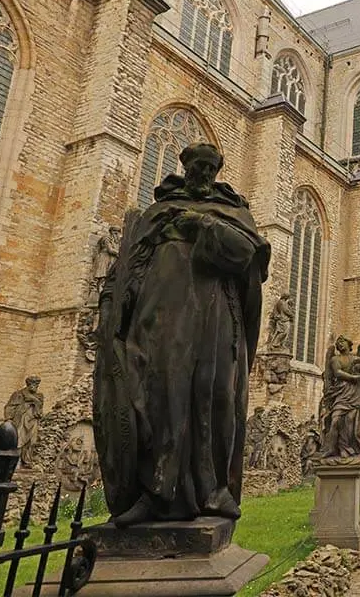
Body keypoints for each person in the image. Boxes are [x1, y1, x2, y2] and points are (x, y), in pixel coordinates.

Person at [92, 143, 270, 526]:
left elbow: (248, 255)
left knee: (217, 397)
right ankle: (155, 492)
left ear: (217, 172)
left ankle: (213, 491)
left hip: (216, 317)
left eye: (210, 168)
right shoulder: (158, 212)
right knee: (158, 395)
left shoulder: (232, 211)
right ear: (185, 167)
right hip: (160, 317)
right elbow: (130, 262)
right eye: (197, 166)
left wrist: (203, 225)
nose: (203, 174)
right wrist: (112, 303)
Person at [320, 336, 360, 461]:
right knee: (335, 420)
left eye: (342, 342)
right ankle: (331, 448)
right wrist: (355, 378)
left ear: (349, 344)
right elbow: (337, 373)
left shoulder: (355, 358)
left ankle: (345, 448)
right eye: (338, 343)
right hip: (341, 392)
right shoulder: (334, 359)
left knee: (349, 422)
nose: (340, 344)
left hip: (355, 393)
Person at [4, 376, 44, 467]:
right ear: (28, 384)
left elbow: (40, 412)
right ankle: (14, 462)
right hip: (21, 419)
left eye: (36, 385)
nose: (35, 387)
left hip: (33, 421)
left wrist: (36, 402)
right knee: (19, 440)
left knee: (32, 442)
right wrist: (9, 419)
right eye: (32, 384)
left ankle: (27, 461)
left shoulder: (39, 396)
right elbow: (10, 406)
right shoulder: (19, 394)